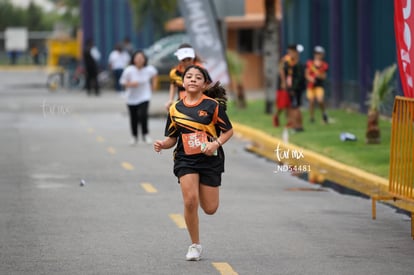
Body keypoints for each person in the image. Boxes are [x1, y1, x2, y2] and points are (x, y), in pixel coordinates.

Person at [153, 65, 233, 261]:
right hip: (185, 159)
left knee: (210, 208)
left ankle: (196, 240)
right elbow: (172, 138)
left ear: (205, 84)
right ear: (183, 81)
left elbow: (228, 131)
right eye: (189, 76)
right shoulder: (175, 108)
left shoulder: (213, 106)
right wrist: (163, 144)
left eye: (198, 77)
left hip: (209, 159)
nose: (192, 79)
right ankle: (195, 245)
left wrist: (215, 144)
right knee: (190, 201)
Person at [119, 50, 158, 145]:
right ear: (134, 59)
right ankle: (134, 136)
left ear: (145, 60)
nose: (140, 60)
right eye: (138, 58)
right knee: (134, 117)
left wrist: (154, 85)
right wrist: (131, 84)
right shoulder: (129, 70)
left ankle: (145, 134)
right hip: (131, 98)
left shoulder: (149, 69)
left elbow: (155, 75)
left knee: (143, 115)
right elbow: (122, 83)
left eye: (142, 58)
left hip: (145, 96)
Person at [164, 44, 204, 110]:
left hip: (199, 103)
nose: (187, 62)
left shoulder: (201, 70)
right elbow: (173, 85)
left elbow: (207, 86)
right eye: (183, 60)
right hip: (182, 103)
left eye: (189, 59)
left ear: (193, 58)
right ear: (178, 58)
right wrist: (170, 100)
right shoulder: (174, 72)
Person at [278, 44, 306, 131]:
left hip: (296, 89)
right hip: (291, 88)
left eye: (290, 52)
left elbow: (299, 78)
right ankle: (294, 124)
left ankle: (299, 126)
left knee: (295, 107)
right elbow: (282, 69)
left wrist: (293, 89)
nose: (288, 54)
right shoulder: (289, 63)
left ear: (295, 52)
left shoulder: (298, 65)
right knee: (291, 107)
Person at [305, 46, 329, 123]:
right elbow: (306, 74)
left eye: (319, 54)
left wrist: (319, 75)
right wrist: (310, 78)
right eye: (316, 54)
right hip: (311, 85)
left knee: (320, 100)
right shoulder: (310, 64)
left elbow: (324, 76)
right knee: (311, 101)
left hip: (319, 85)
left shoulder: (324, 65)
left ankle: (324, 113)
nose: (318, 55)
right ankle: (312, 117)